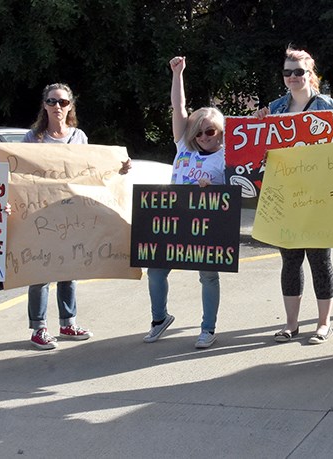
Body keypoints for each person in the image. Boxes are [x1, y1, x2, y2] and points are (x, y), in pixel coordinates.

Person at [256, 46, 333, 344]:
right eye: (287, 72)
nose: (293, 77)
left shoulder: (329, 107)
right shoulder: (274, 108)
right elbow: (258, 152)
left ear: (312, 74)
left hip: (320, 195)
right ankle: (291, 323)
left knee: (320, 260)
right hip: (286, 195)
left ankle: (323, 323)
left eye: (299, 71)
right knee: (291, 260)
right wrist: (258, 123)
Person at [143, 56, 226, 349]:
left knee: (207, 276)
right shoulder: (183, 146)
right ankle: (159, 318)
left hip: (207, 220)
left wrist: (212, 186)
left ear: (220, 132)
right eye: (198, 131)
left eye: (210, 131)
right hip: (175, 215)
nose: (203, 136)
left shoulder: (224, 156)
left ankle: (208, 328)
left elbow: (234, 186)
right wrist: (177, 74)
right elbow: (179, 108)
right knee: (155, 271)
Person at [22, 83, 93, 349]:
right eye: (52, 102)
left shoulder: (79, 137)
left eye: (63, 102)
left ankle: (67, 323)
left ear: (70, 106)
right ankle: (39, 328)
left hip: (71, 213)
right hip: (40, 214)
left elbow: (91, 170)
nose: (57, 107)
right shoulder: (33, 138)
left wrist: (119, 166)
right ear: (44, 105)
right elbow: (17, 171)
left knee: (69, 268)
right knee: (40, 271)